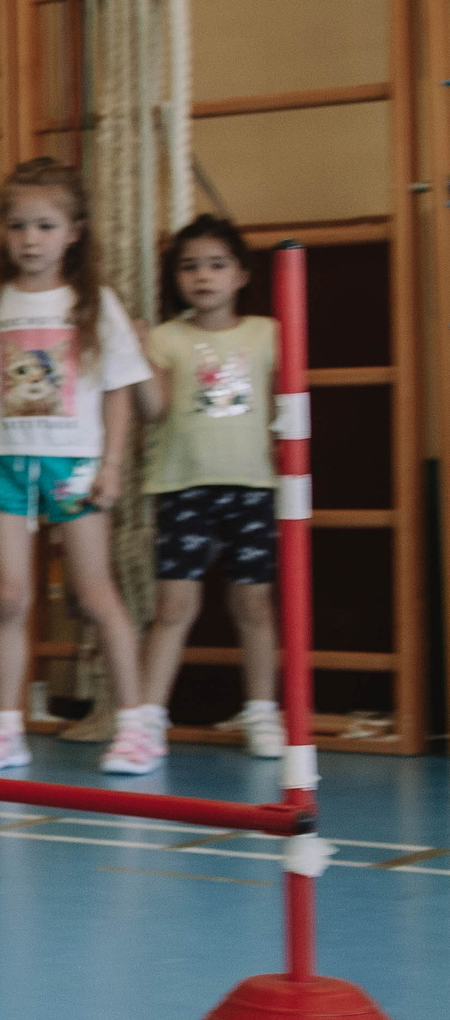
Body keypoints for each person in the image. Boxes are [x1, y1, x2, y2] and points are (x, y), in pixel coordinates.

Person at [0, 159, 155, 775]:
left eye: (44, 226)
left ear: (73, 232)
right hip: (6, 464)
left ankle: (136, 725)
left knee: (95, 595)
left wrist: (112, 464)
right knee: (9, 597)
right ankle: (6, 728)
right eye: (18, 226)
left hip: (74, 464)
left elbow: (118, 389)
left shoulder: (94, 306)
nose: (30, 240)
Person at [130, 216, 284, 759]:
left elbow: (285, 404)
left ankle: (262, 711)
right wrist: (136, 353)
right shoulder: (168, 338)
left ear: (241, 274)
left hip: (253, 488)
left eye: (217, 265)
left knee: (256, 605)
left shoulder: (267, 333)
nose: (203, 276)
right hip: (182, 487)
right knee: (173, 606)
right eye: (190, 266)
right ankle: (147, 719)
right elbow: (155, 409)